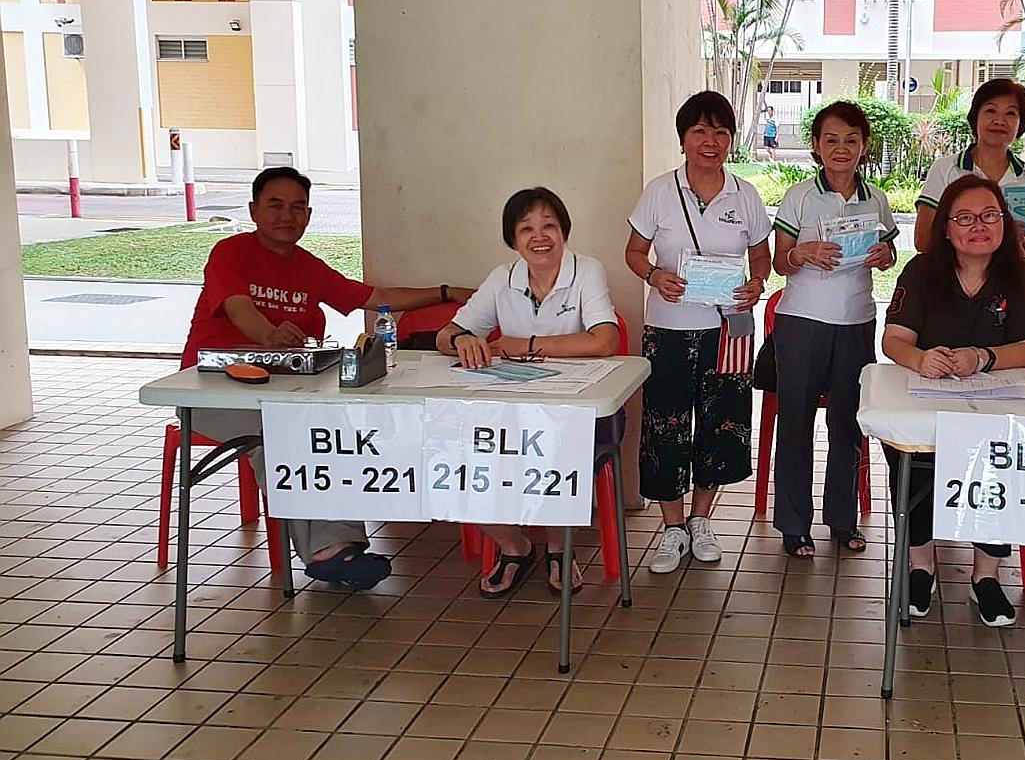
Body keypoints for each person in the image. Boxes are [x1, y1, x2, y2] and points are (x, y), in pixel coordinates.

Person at [180, 166, 473, 590]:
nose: (287, 216)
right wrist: (271, 336)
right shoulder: (230, 253)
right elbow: (240, 309)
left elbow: (378, 298)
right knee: (280, 435)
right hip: (213, 390)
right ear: (253, 210)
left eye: (298, 207)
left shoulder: (307, 266)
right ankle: (326, 551)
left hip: (284, 389)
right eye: (275, 205)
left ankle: (343, 547)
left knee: (335, 431)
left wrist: (447, 292)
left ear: (309, 214)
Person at [434, 187, 621, 598]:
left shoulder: (585, 270)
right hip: (509, 411)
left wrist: (526, 344)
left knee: (561, 448)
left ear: (564, 233)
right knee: (449, 454)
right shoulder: (502, 279)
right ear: (513, 240)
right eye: (527, 229)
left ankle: (559, 547)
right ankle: (513, 545)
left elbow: (605, 340)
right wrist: (461, 340)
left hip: (580, 411)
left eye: (549, 226)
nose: (540, 237)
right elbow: (447, 335)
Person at [882, 175, 1025, 626]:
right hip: (928, 399)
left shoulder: (1021, 274)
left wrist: (984, 357)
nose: (979, 227)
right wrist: (919, 358)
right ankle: (922, 566)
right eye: (966, 218)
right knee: (909, 463)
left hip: (995, 402)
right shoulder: (921, 271)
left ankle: (986, 577)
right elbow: (894, 339)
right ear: (946, 227)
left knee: (999, 468)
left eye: (990, 216)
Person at [625, 92, 771, 574]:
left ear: (730, 139)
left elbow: (760, 256)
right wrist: (653, 276)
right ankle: (670, 527)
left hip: (730, 328)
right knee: (665, 423)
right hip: (668, 328)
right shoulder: (659, 192)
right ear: (684, 139)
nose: (711, 142)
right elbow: (634, 252)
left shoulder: (744, 194)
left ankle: (701, 519)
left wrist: (755, 284)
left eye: (720, 132)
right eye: (700, 132)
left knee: (723, 421)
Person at [771, 101, 898, 557]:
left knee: (847, 423)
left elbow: (887, 253)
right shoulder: (800, 196)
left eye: (851, 139)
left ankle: (842, 521)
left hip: (857, 321)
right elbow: (778, 261)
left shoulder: (876, 198)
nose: (841, 148)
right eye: (831, 140)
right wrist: (802, 254)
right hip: (802, 321)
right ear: (815, 146)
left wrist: (886, 256)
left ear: (864, 146)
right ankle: (793, 524)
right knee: (797, 422)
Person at [913, 77, 1025, 258]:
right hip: (952, 280)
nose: (1000, 121)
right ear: (975, 118)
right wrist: (1001, 231)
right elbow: (923, 240)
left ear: (1021, 124)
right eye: (991, 111)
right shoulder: (945, 169)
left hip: (1007, 281)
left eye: (1011, 114)